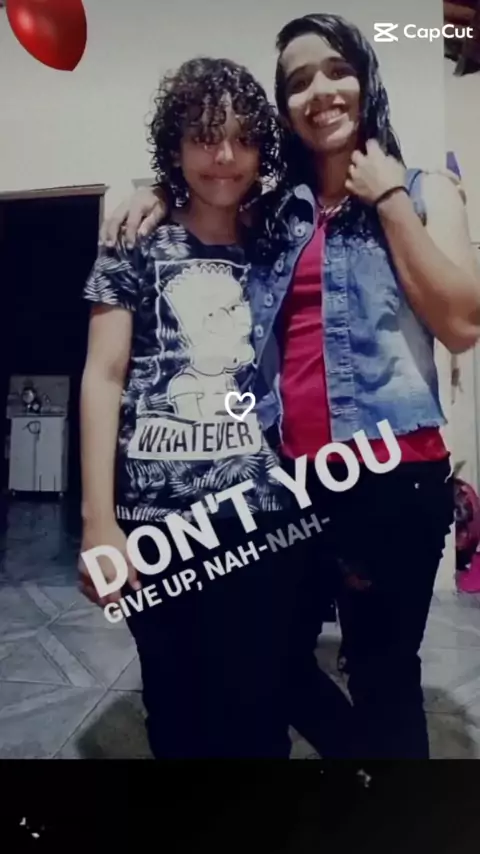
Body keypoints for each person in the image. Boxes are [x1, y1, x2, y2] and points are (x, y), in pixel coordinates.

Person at [102, 13, 480, 759]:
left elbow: (462, 323)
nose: (321, 91)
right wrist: (158, 193)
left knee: (383, 675)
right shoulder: (277, 212)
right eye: (299, 82)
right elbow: (211, 195)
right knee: (269, 660)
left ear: (366, 79)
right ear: (285, 109)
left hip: (392, 480)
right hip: (292, 486)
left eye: (337, 70)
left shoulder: (426, 189)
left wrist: (388, 199)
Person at [79, 55, 360, 759]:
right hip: (154, 522)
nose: (225, 157)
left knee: (256, 713)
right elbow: (103, 377)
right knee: (173, 705)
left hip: (261, 518)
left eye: (242, 139)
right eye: (204, 138)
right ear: (174, 148)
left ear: (263, 149)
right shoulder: (134, 241)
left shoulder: (279, 239)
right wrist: (98, 523)